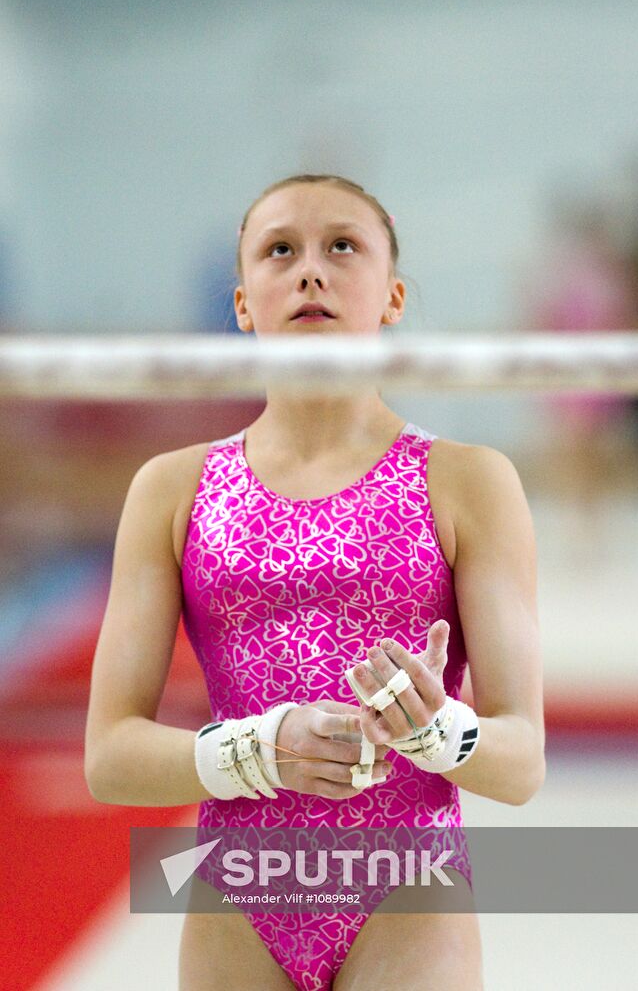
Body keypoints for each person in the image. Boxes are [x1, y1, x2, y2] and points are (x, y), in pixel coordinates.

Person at [84, 173, 545, 991]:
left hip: (406, 889)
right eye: (280, 250)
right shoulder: (173, 488)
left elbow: (520, 763)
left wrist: (437, 733)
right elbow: (109, 756)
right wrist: (258, 749)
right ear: (241, 303)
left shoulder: (468, 481)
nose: (310, 271)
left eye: (341, 245)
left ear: (392, 295)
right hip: (243, 892)